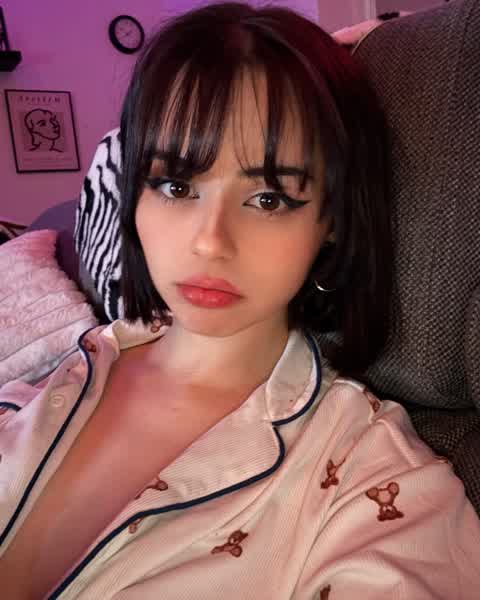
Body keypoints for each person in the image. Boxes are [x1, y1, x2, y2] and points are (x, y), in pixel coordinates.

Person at [1, 3, 479, 598]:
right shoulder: (52, 379)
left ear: (332, 219)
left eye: (269, 199)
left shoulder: (375, 481)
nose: (210, 242)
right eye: (176, 185)